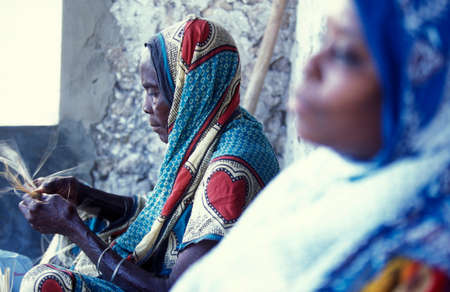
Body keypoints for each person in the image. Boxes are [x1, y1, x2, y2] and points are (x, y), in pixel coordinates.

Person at [172, 0, 450, 291]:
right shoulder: (325, 172)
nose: (312, 65)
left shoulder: (416, 254)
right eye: (325, 39)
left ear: (421, 84)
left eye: (345, 54)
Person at [19, 16, 279, 292]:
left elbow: (175, 289)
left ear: (188, 92)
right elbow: (161, 213)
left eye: (154, 92)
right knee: (89, 218)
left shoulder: (230, 168)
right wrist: (82, 195)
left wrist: (73, 228)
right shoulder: (217, 130)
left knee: (45, 282)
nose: (146, 107)